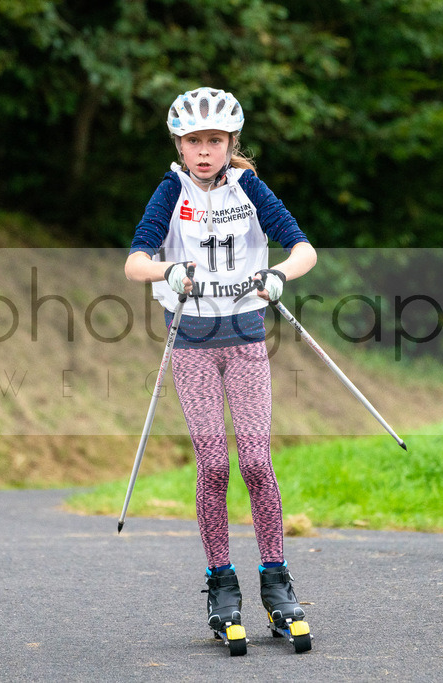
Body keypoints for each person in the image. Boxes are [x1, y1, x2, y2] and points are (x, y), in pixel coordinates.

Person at [125, 87, 318, 643]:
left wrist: (281, 274)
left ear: (231, 142)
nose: (204, 151)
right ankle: (221, 582)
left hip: (246, 337)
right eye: (193, 141)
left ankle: (277, 580)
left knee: (257, 463)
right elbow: (136, 262)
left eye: (214, 140)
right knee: (213, 465)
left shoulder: (248, 186)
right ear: (179, 145)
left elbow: (304, 248)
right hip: (191, 341)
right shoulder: (170, 190)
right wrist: (169, 272)